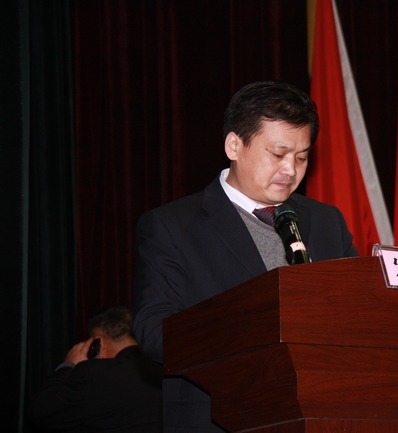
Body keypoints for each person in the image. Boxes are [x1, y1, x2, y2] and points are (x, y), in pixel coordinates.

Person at [132, 80, 358, 432]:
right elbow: (153, 332)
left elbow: (357, 312)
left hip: (322, 414)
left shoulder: (327, 221)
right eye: (278, 154)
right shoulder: (172, 226)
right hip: (220, 417)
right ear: (234, 146)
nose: (290, 170)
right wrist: (256, 324)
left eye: (301, 157)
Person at [28, 306, 162, 432]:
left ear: (99, 343)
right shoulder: (162, 368)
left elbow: (41, 412)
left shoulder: (93, 373)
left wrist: (68, 365)